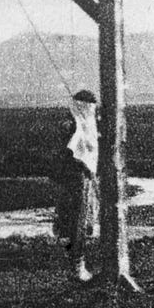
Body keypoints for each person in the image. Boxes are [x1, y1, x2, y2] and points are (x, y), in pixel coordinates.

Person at [52, 90, 99, 282]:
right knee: (78, 221)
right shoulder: (74, 125)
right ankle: (77, 266)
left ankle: (77, 263)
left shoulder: (82, 123)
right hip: (77, 177)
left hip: (78, 177)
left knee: (78, 220)